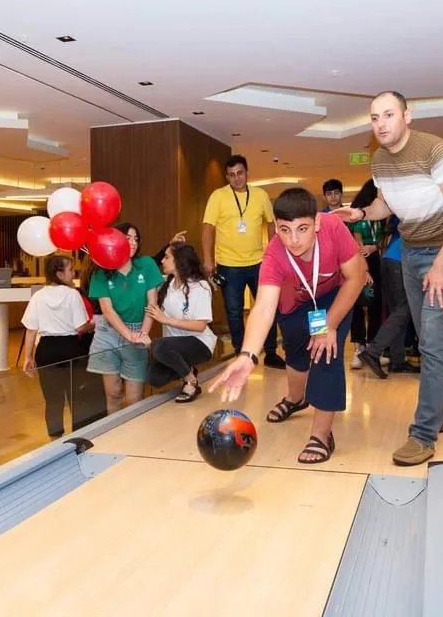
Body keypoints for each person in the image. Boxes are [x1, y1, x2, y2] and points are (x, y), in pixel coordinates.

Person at [334, 90, 443, 467]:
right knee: (435, 340)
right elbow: (386, 204)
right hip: (412, 250)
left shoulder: (436, 151)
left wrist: (442, 265)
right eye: (374, 117)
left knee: (430, 344)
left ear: (406, 116)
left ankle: (423, 434)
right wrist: (362, 213)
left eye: (388, 115)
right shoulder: (380, 160)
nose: (380, 124)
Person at [208, 188, 366, 464]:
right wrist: (248, 356)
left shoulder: (333, 228)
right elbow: (264, 307)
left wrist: (328, 326)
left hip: (332, 297)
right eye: (284, 230)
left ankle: (321, 435)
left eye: (302, 229)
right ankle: (296, 398)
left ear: (316, 223)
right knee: (295, 351)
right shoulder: (274, 253)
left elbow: (357, 276)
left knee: (324, 353)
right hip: (295, 301)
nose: (294, 240)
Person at [201, 155, 285, 369]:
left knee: (267, 306)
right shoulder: (218, 196)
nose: (236, 178)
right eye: (231, 175)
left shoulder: (260, 195)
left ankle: (271, 352)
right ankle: (241, 353)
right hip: (228, 265)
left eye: (240, 173)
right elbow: (207, 229)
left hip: (258, 262)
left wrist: (273, 252)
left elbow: (270, 223)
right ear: (226, 177)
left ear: (247, 173)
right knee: (234, 310)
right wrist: (208, 260)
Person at [86, 222, 164, 412]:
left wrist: (142, 333)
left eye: (136, 239)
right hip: (108, 332)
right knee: (113, 393)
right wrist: (128, 334)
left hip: (138, 330)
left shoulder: (146, 264)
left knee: (134, 398)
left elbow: (151, 304)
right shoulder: (101, 271)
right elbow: (107, 310)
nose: (133, 243)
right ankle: (116, 437)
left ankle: (137, 437)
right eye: (128, 238)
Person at [22, 255, 92, 438]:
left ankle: (55, 438)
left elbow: (30, 330)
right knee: (75, 397)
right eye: (70, 270)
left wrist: (28, 357)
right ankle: (78, 437)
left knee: (52, 399)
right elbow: (80, 327)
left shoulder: (38, 296)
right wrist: (91, 325)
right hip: (69, 347)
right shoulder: (73, 295)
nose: (73, 273)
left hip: (46, 349)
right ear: (59, 274)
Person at [144, 242, 217, 403]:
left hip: (200, 343)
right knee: (154, 378)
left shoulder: (201, 287)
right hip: (174, 346)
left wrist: (166, 320)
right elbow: (146, 269)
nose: (162, 261)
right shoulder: (167, 283)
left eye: (167, 257)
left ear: (179, 261)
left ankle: (191, 380)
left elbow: (200, 326)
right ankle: (188, 368)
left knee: (158, 346)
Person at [357, 214, 420, 377]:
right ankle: (373, 351)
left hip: (389, 260)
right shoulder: (415, 211)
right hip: (398, 261)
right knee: (403, 310)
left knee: (397, 314)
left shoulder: (401, 215)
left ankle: (397, 360)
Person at [347, 179, 386, 369]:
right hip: (359, 261)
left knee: (376, 304)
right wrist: (364, 270)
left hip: (375, 259)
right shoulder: (358, 212)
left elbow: (381, 239)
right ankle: (358, 347)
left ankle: (372, 347)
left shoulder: (380, 213)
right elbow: (356, 244)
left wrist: (375, 247)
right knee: (357, 303)